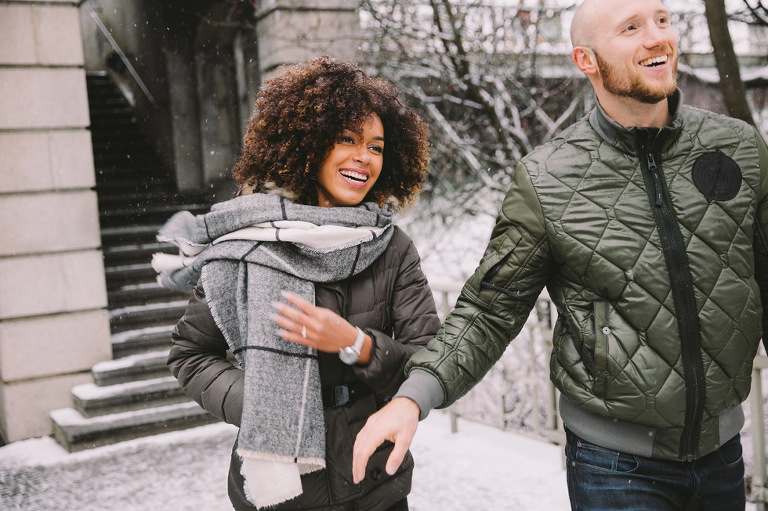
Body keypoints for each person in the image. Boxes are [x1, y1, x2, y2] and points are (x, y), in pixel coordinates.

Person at [352, 0, 768, 509]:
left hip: (723, 454)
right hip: (615, 467)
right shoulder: (547, 179)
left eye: (662, 20)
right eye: (631, 28)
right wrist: (413, 396)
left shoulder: (739, 147)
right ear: (585, 60)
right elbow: (489, 311)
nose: (657, 36)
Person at [155, 55, 440, 511]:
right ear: (308, 144)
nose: (364, 157)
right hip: (282, 496)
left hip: (374, 486)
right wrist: (266, 404)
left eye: (376, 146)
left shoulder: (392, 247)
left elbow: (429, 360)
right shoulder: (247, 244)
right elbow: (190, 355)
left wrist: (357, 345)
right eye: (347, 139)